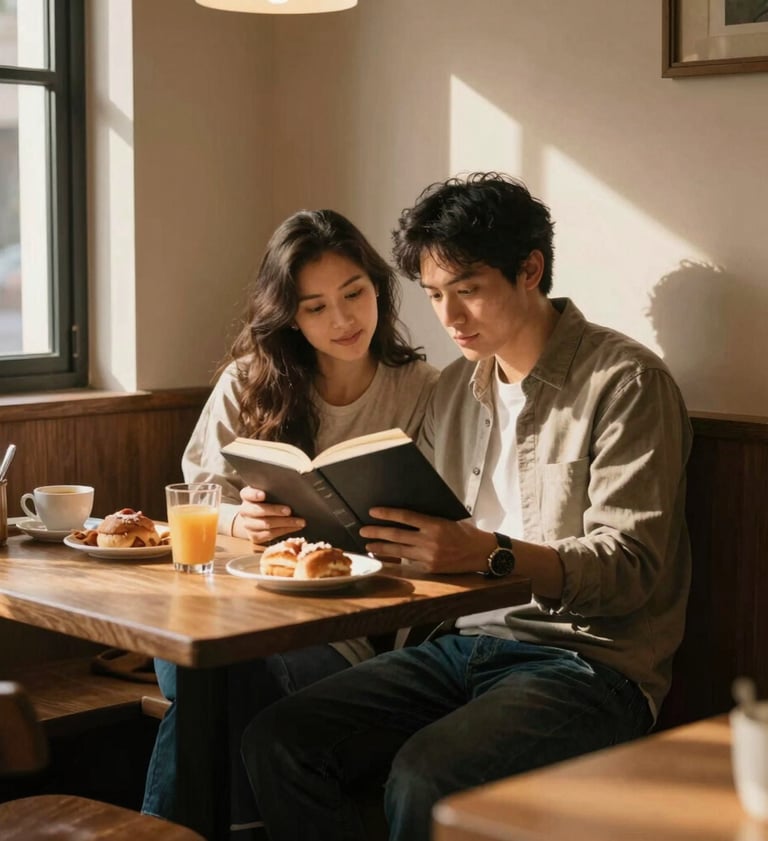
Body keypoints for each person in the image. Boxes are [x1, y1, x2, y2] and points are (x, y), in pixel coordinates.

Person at [240, 173, 693, 841]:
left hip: (588, 666)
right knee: (279, 740)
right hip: (456, 646)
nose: (450, 317)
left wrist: (491, 554)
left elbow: (631, 568)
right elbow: (404, 530)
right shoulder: (453, 389)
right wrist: (301, 522)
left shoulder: (626, 384)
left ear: (529, 270)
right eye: (434, 295)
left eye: (469, 290)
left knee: (427, 775)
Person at [141, 209, 438, 836]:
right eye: (315, 307)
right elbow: (196, 496)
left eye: (354, 294)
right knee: (206, 661)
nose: (343, 320)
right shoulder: (248, 381)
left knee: (216, 681)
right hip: (227, 608)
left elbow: (441, 519)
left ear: (378, 288)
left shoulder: (421, 389)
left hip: (340, 630)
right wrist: (239, 522)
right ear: (290, 316)